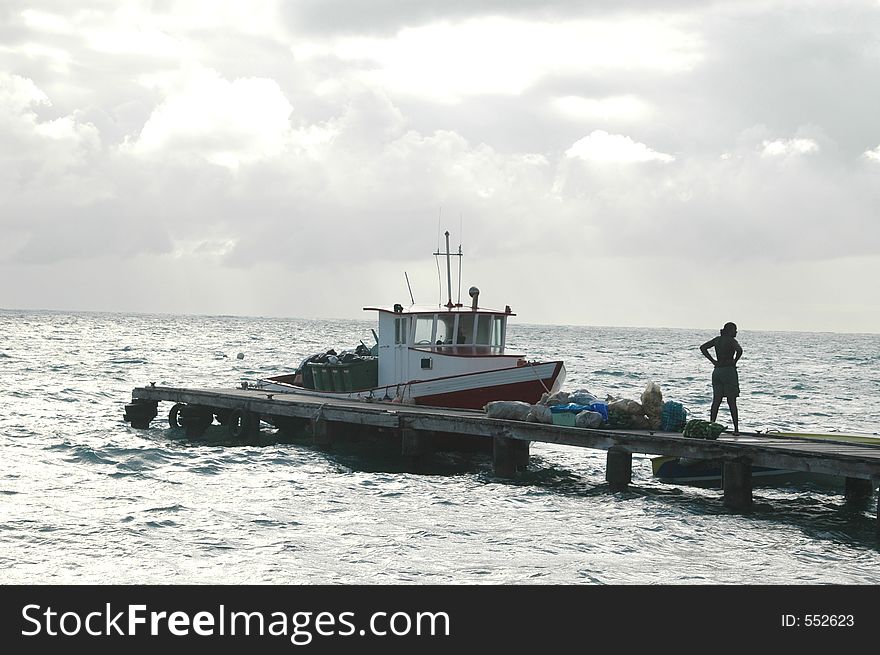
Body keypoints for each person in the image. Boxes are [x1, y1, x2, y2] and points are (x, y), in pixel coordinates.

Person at [700, 322, 743, 436]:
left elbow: (703, 347)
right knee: (731, 401)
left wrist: (713, 361)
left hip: (717, 371)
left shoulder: (717, 340)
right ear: (730, 331)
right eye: (735, 330)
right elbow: (739, 350)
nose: (736, 332)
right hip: (728, 371)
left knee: (716, 401)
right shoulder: (731, 341)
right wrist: (735, 361)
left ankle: (711, 426)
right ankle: (736, 429)